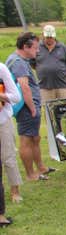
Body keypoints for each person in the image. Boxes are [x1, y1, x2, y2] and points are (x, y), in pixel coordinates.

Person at [7, 32, 54, 182]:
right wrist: (32, 108)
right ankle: (30, 174)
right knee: (26, 139)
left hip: (29, 106)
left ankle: (41, 167)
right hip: (27, 108)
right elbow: (24, 87)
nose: (38, 50)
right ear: (25, 46)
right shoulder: (19, 62)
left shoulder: (18, 60)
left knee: (35, 137)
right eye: (35, 47)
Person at [0, 61, 22, 208]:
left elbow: (16, 97)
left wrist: (1, 96)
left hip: (2, 120)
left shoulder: (1, 68)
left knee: (8, 157)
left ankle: (15, 190)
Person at [36, 25, 66, 103]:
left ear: (54, 35)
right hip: (44, 87)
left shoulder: (63, 48)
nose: (50, 39)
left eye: (51, 37)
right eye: (48, 37)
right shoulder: (37, 48)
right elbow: (33, 64)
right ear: (43, 35)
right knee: (48, 111)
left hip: (63, 86)